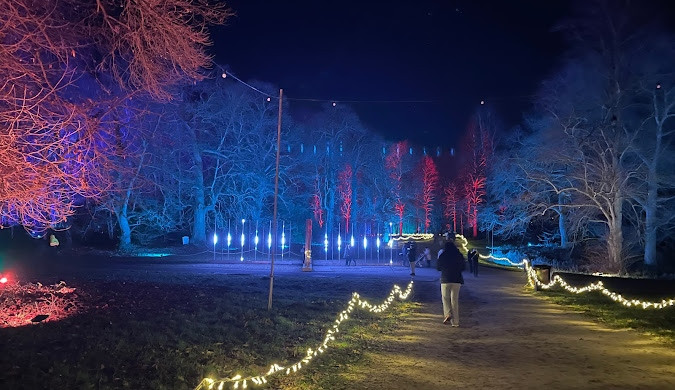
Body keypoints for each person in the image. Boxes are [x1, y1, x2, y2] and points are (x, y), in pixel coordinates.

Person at [436, 241, 465, 327]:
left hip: (445, 279)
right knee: (454, 300)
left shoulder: (443, 255)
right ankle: (455, 322)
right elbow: (463, 267)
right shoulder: (459, 255)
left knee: (445, 298)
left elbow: (438, 267)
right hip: (456, 280)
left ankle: (447, 314)